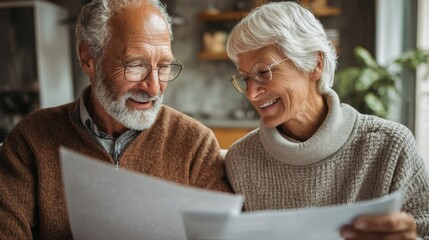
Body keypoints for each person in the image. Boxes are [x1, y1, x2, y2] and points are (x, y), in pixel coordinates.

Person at [0, 0, 231, 239]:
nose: (153, 88)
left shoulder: (195, 143)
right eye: (135, 65)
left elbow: (224, 234)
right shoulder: (30, 139)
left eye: (163, 66)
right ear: (88, 58)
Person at [224, 1, 429, 239]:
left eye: (263, 72)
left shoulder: (389, 146)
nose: (251, 93)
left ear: (315, 63)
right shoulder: (241, 159)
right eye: (246, 78)